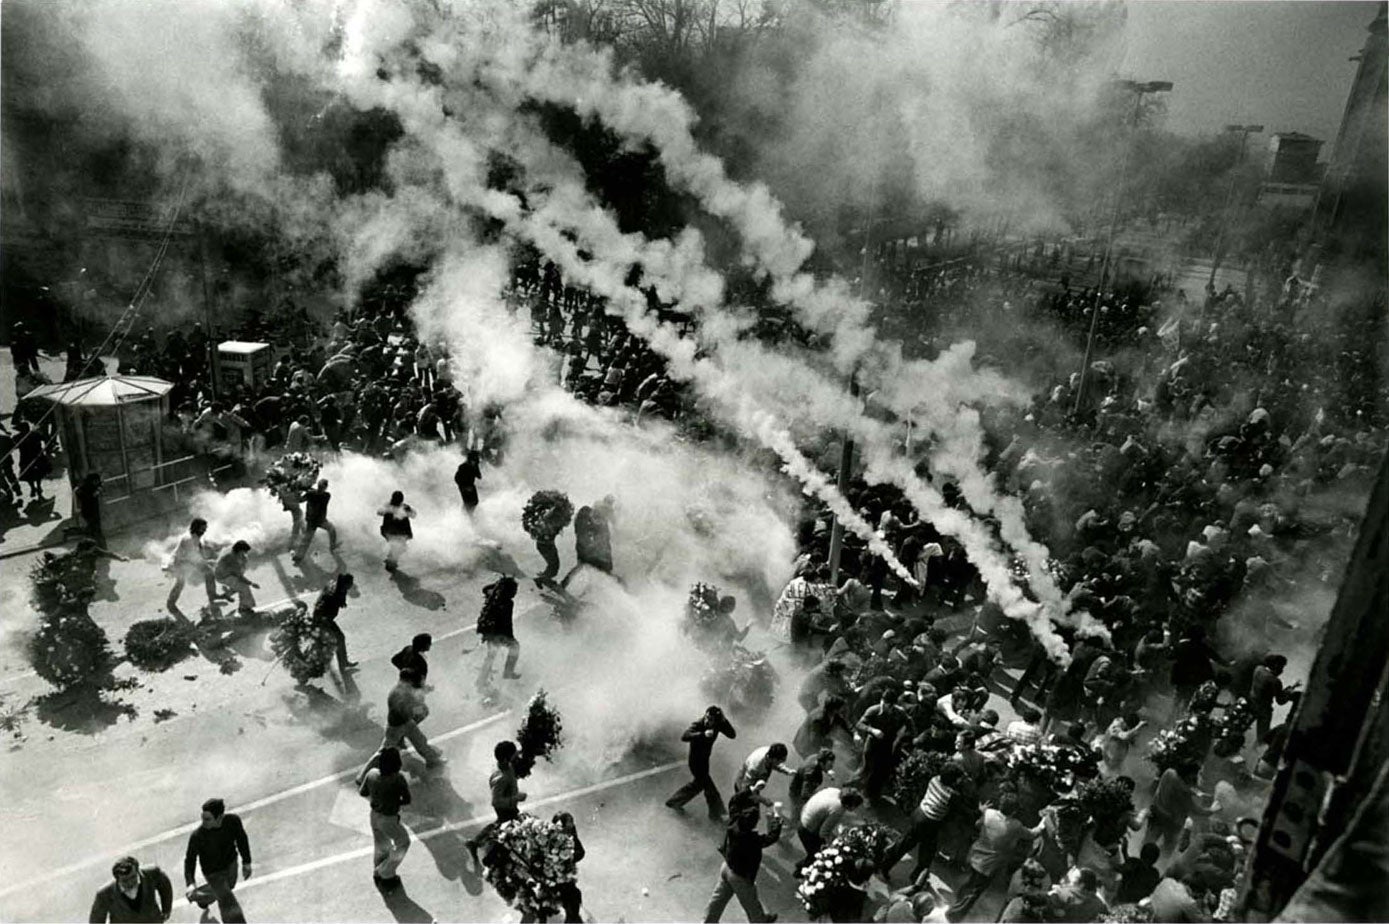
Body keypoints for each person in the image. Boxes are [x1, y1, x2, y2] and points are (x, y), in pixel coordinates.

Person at [946, 795, 1045, 922]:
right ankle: (954, 916)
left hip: (975, 855)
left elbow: (977, 825)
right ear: (1014, 811)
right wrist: (1043, 823)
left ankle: (955, 906)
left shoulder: (988, 813)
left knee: (969, 884)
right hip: (989, 865)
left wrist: (982, 812)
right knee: (974, 892)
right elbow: (1032, 834)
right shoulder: (1015, 825)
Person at [879, 762, 965, 885]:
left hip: (919, 813)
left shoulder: (934, 780)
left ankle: (885, 864)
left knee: (905, 842)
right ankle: (917, 879)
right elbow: (955, 811)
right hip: (930, 822)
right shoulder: (951, 795)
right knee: (927, 852)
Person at [357, 668, 445, 782]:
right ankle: (362, 776)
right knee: (383, 753)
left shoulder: (403, 689)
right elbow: (405, 711)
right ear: (407, 681)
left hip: (407, 723)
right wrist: (419, 710)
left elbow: (415, 693)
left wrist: (424, 691)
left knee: (421, 741)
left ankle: (433, 761)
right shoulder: (398, 695)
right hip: (396, 727)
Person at [702, 806, 782, 923]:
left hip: (727, 867)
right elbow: (771, 838)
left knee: (718, 899)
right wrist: (777, 821)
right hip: (740, 876)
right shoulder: (750, 839)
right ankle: (760, 920)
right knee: (751, 903)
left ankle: (708, 921)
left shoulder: (734, 826)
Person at [183, 798, 251, 924]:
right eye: (202, 818)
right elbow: (189, 860)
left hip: (231, 863)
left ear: (220, 817)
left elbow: (242, 840)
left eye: (208, 819)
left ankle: (202, 898)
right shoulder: (198, 836)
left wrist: (246, 862)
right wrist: (190, 883)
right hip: (212, 872)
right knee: (226, 899)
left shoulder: (232, 822)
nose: (203, 822)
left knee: (229, 886)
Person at [667, 705, 738, 820]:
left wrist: (724, 721)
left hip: (705, 761)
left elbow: (732, 735)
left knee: (700, 785)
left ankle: (674, 802)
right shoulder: (699, 724)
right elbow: (685, 736)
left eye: (710, 719)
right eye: (706, 717)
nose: (707, 721)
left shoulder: (718, 724)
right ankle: (717, 814)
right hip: (695, 761)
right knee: (709, 788)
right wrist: (702, 734)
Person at [359, 746, 411, 894]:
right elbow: (406, 800)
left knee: (381, 845)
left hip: (374, 815)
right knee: (403, 843)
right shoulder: (398, 778)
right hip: (389, 818)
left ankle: (378, 872)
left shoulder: (372, 773)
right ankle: (386, 873)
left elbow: (362, 792)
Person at [466, 740, 527, 864]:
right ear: (505, 759)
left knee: (500, 824)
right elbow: (496, 801)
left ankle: (475, 842)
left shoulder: (505, 766)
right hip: (505, 807)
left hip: (508, 804)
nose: (516, 757)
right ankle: (490, 859)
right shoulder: (501, 779)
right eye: (513, 755)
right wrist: (515, 798)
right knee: (507, 832)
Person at [1145, 763, 1216, 860]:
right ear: (1190, 774)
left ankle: (1141, 857)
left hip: (1156, 812)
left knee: (1148, 840)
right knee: (1168, 847)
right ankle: (1158, 864)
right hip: (1171, 822)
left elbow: (1180, 785)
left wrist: (1196, 793)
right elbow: (1195, 809)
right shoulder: (1183, 793)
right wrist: (1212, 810)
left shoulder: (1169, 772)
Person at [795, 786, 864, 874]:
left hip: (804, 816)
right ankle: (801, 873)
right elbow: (823, 833)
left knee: (814, 851)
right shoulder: (838, 809)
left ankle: (801, 866)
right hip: (807, 829)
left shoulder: (834, 790)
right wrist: (835, 842)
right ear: (848, 804)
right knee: (819, 855)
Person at [856, 687, 909, 801]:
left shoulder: (899, 712)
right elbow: (860, 724)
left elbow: (908, 723)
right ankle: (862, 792)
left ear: (893, 705)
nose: (884, 706)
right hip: (873, 743)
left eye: (888, 704)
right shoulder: (873, 710)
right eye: (883, 702)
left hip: (888, 745)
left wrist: (902, 732)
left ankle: (873, 794)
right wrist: (873, 730)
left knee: (881, 771)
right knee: (868, 768)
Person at [167, 518, 226, 614]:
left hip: (186, 562)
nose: (204, 531)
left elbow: (200, 551)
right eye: (202, 529)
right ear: (196, 528)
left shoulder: (196, 537)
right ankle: (171, 603)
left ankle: (171, 603)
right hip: (180, 563)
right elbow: (194, 558)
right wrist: (207, 562)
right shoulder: (188, 539)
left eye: (205, 529)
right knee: (183, 582)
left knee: (182, 583)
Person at [89, 856, 173, 923]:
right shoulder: (105, 894)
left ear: (138, 871)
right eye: (125, 881)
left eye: (133, 877)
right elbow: (96, 921)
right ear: (117, 879)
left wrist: (166, 910)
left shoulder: (152, 874)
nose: (130, 883)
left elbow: (165, 886)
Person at [477, 576, 521, 694]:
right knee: (515, 647)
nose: (515, 593)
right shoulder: (507, 603)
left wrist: (499, 585)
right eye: (514, 590)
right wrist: (510, 637)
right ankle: (508, 672)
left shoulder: (494, 599)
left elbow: (486, 589)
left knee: (491, 656)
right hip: (500, 633)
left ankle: (481, 680)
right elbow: (507, 622)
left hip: (490, 633)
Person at [313, 573, 358, 676]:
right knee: (339, 638)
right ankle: (343, 663)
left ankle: (343, 663)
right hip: (324, 620)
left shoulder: (336, 585)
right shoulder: (334, 594)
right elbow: (328, 603)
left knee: (336, 639)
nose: (351, 586)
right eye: (350, 584)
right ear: (345, 584)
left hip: (322, 617)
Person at [1249, 654, 1297, 741]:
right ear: (1276, 665)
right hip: (1263, 709)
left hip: (1251, 703)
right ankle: (1258, 747)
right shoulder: (1275, 681)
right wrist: (1290, 690)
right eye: (1281, 667)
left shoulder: (1258, 669)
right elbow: (1280, 701)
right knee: (1263, 735)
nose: (1282, 670)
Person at [293, 478, 338, 564]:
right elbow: (316, 493)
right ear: (325, 487)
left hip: (313, 520)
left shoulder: (311, 494)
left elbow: (300, 500)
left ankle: (298, 557)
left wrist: (298, 491)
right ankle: (332, 547)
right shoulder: (326, 495)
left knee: (307, 539)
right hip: (320, 520)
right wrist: (306, 490)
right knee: (331, 530)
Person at [787, 747, 836, 826]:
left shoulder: (815, 757)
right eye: (830, 764)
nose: (832, 767)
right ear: (822, 763)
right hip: (797, 795)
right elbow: (805, 794)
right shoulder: (812, 773)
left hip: (798, 786)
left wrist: (827, 770)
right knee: (796, 820)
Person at [552, 811, 586, 923]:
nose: (572, 824)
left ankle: (572, 917)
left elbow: (580, 851)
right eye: (569, 822)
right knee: (571, 896)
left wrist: (570, 857)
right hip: (556, 874)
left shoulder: (571, 834)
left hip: (567, 873)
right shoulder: (552, 837)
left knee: (572, 897)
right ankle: (572, 917)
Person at [213, 541, 259, 615]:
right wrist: (251, 583)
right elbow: (239, 576)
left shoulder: (239, 556)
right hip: (224, 577)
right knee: (244, 587)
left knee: (238, 586)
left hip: (229, 575)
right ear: (239, 551)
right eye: (243, 552)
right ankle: (244, 608)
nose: (245, 554)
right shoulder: (232, 559)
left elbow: (239, 574)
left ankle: (226, 595)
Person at [377, 490, 415, 572]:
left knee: (399, 547)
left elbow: (413, 515)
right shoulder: (388, 506)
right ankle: (390, 563)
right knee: (398, 547)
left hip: (399, 532)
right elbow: (379, 512)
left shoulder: (404, 507)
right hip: (391, 532)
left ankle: (391, 561)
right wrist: (389, 510)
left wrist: (407, 511)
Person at [75, 472, 105, 544]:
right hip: (89, 513)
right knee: (94, 531)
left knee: (95, 530)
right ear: (92, 481)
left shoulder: (92, 487)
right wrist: (94, 494)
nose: (97, 483)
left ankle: (99, 544)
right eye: (96, 481)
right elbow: (83, 496)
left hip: (93, 512)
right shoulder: (85, 488)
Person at [454, 449, 483, 514]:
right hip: (464, 487)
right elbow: (456, 478)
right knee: (468, 503)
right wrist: (465, 487)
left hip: (471, 486)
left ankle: (467, 515)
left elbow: (479, 476)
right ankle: (465, 516)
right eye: (475, 459)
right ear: (471, 459)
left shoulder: (475, 466)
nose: (477, 460)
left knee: (475, 502)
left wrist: (476, 467)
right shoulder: (463, 466)